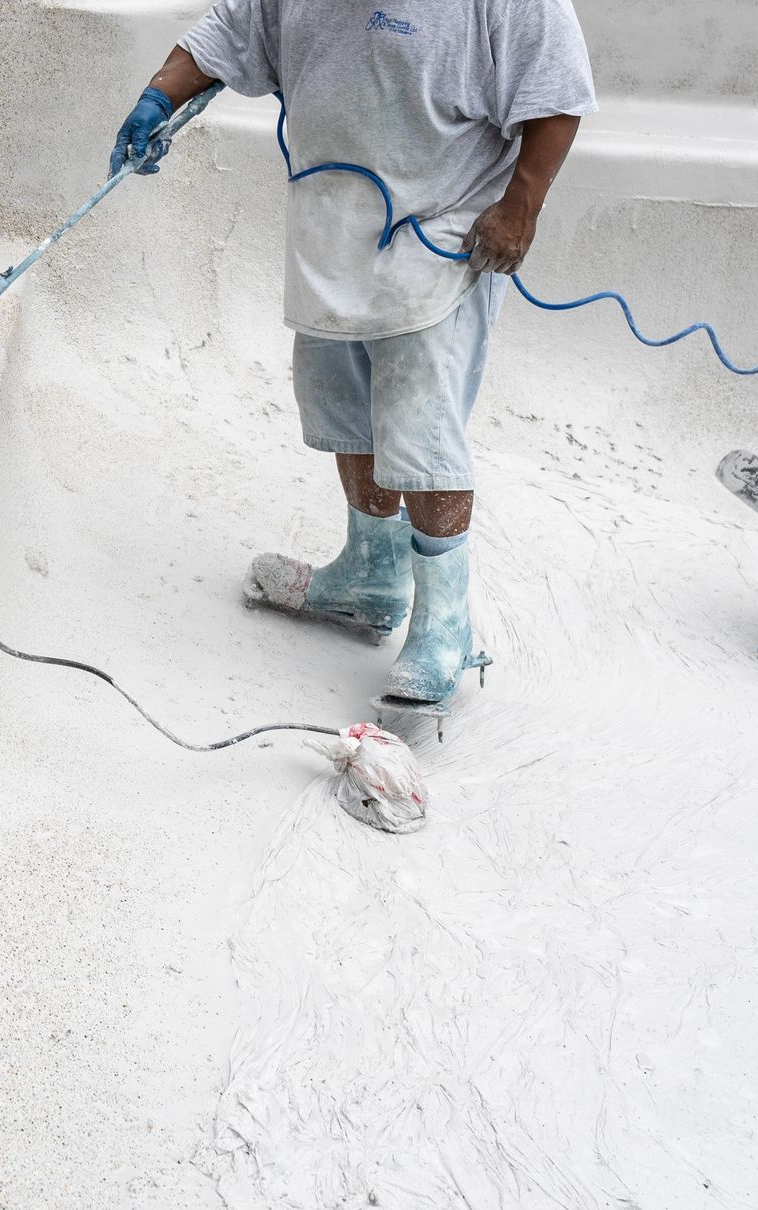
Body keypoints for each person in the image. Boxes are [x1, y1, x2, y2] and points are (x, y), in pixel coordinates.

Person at [110, 1, 595, 705]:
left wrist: (521, 206)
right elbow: (228, 32)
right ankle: (370, 573)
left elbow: (554, 92)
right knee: (346, 411)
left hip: (444, 230)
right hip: (333, 226)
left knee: (421, 434)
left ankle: (445, 624)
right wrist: (158, 97)